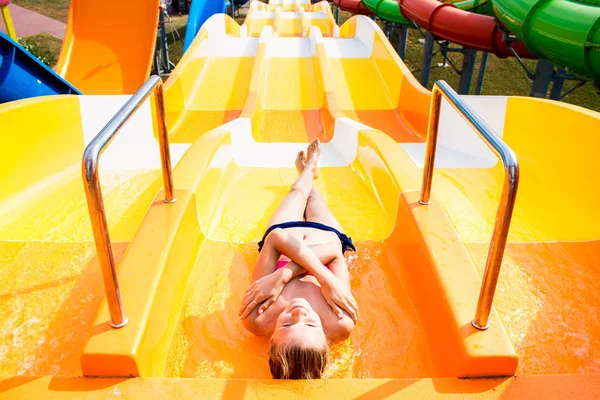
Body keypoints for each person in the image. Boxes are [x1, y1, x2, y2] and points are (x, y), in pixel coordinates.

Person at [239, 139, 358, 379]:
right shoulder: (340, 322)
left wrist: (283, 274)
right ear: (325, 339)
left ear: (271, 340)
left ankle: (306, 173)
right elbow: (334, 248)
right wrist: (324, 277)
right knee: (315, 201)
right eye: (311, 325)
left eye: (287, 325)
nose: (299, 314)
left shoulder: (258, 317)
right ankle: (310, 169)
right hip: (326, 235)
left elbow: (274, 239)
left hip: (285, 231)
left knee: (297, 192)